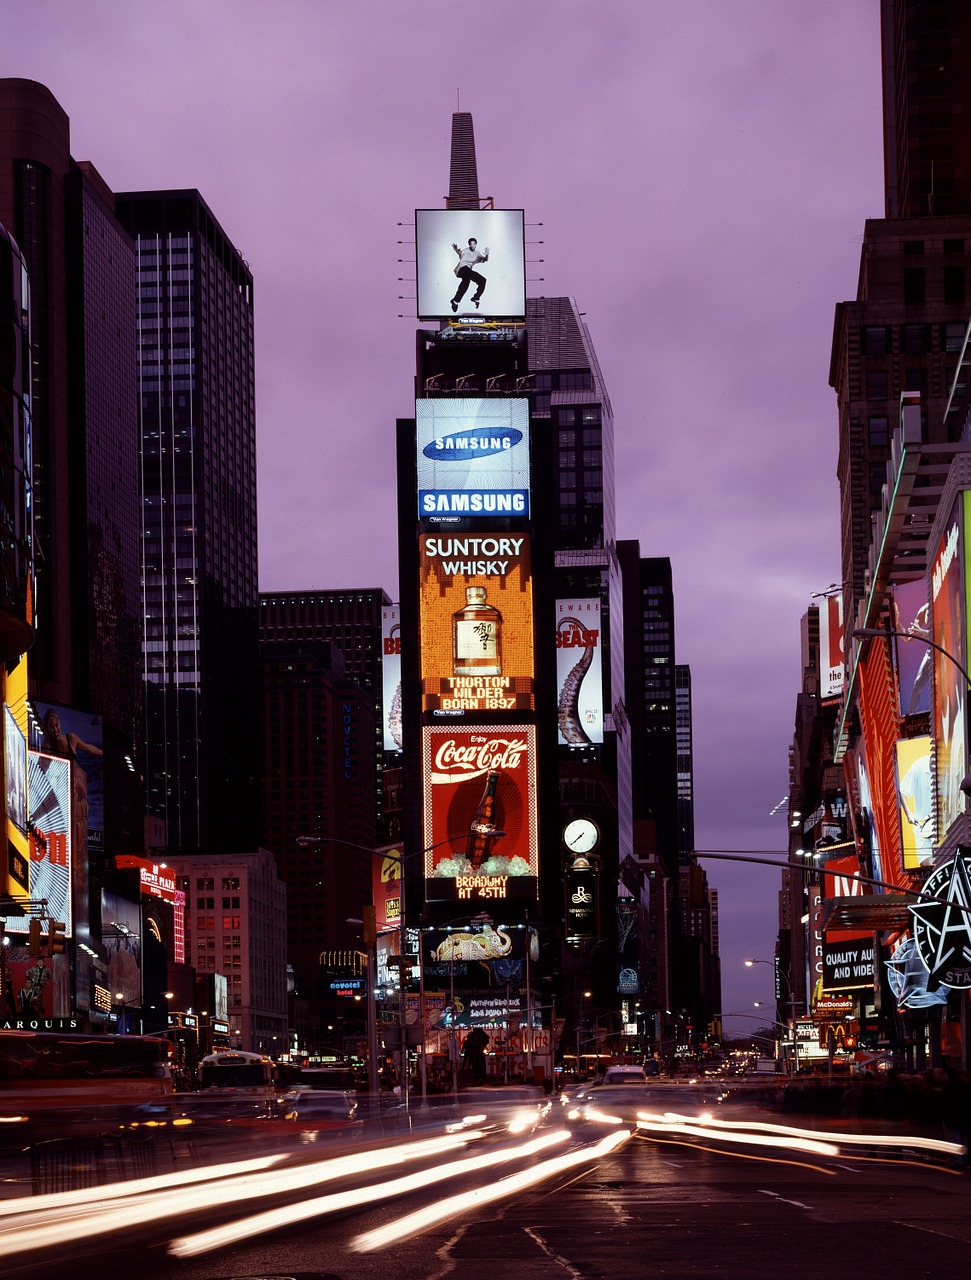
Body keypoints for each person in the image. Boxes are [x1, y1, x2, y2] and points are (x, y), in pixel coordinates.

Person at [450, 237, 489, 311]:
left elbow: (485, 260)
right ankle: (455, 301)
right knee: (467, 276)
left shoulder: (477, 253)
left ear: (476, 244)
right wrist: (456, 249)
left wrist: (487, 254)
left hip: (468, 271)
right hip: (462, 269)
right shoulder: (466, 250)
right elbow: (460, 252)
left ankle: (475, 298)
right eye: (471, 244)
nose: (472, 245)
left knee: (482, 280)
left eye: (474, 244)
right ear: (469, 245)